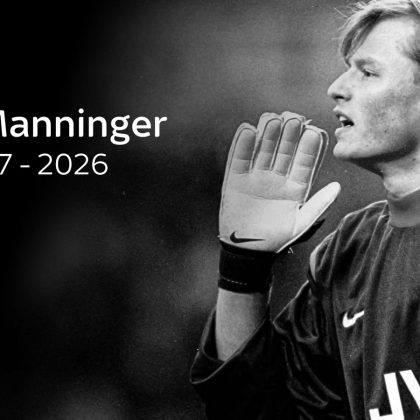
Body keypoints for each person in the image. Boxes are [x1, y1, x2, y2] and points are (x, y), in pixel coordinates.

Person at [190, 1, 420, 419]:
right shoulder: (350, 250)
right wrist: (242, 267)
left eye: (368, 72)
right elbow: (255, 412)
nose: (337, 87)